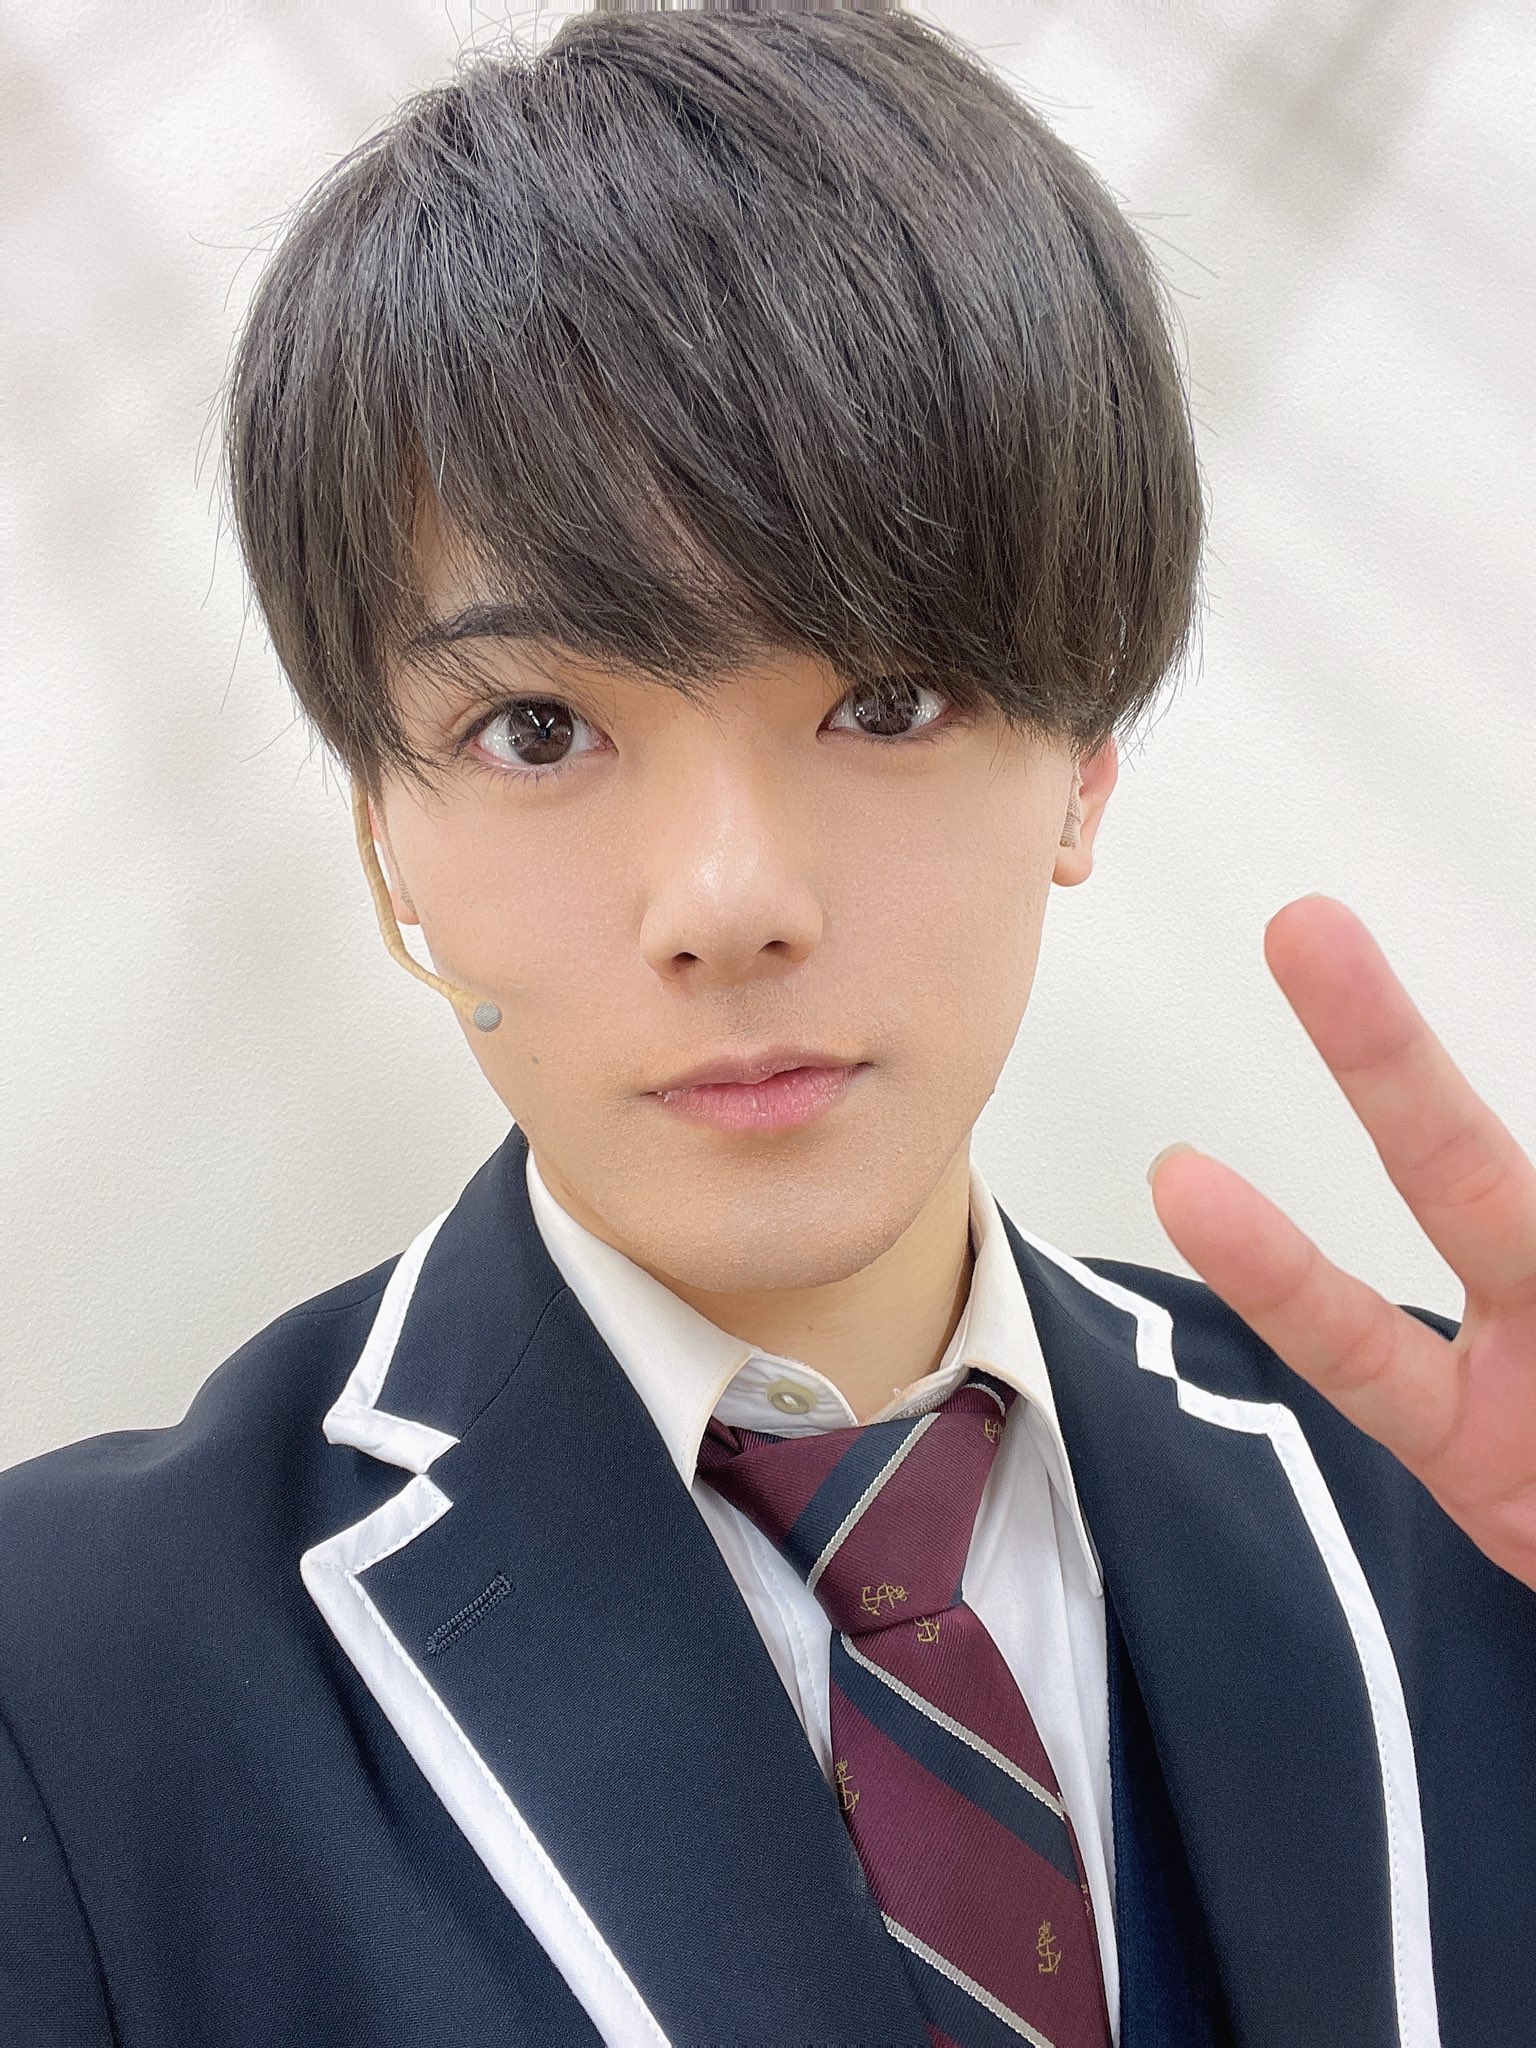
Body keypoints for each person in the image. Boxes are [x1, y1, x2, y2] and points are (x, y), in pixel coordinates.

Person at [2, 4, 1533, 2044]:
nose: (729, 900)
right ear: (381, 826)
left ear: (1086, 763)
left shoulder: (1458, 1508)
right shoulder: (66, 1678)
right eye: (535, 726)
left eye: (885, 699)